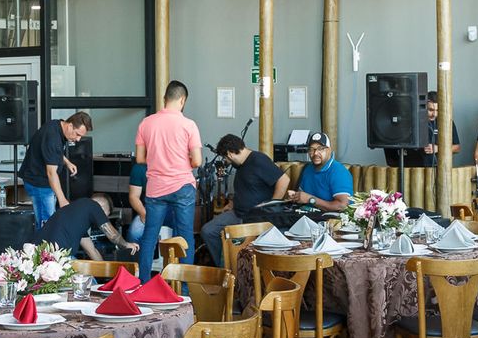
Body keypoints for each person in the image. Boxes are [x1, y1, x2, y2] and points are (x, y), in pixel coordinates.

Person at [135, 81, 202, 278]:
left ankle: (144, 286)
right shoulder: (189, 125)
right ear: (182, 100)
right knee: (184, 237)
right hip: (183, 186)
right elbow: (197, 160)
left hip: (156, 188)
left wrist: (158, 158)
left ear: (165, 99)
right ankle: (184, 291)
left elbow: (140, 158)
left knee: (149, 237)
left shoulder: (146, 123)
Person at [200, 134, 287, 265]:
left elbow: (284, 180)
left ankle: (237, 268)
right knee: (209, 231)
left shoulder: (259, 160)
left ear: (229, 154)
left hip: (255, 217)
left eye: (225, 158)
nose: (226, 161)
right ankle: (227, 267)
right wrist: (232, 203)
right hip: (238, 212)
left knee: (236, 241)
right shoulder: (240, 165)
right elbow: (248, 188)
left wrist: (272, 205)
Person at [18, 111, 93, 229]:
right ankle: (43, 247)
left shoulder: (56, 126)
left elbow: (53, 152)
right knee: (47, 224)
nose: (78, 139)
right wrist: (62, 199)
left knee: (49, 221)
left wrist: (67, 162)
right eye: (77, 134)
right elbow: (51, 173)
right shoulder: (52, 137)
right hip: (39, 182)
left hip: (43, 181)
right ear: (70, 126)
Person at [41, 193, 137, 262]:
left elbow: (92, 251)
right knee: (87, 282)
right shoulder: (93, 206)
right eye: (106, 216)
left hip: (37, 256)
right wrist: (126, 244)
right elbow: (113, 236)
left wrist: (105, 272)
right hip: (56, 259)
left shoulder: (76, 218)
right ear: (102, 209)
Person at [388, 91, 459, 168]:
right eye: (431, 110)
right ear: (423, 107)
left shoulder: (447, 122)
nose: (434, 114)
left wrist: (438, 148)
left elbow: (457, 147)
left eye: (437, 110)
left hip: (439, 168)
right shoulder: (413, 122)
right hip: (413, 167)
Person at [293, 132, 355, 214]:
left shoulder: (339, 171)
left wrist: (311, 199)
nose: (315, 153)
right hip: (309, 217)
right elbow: (302, 196)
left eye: (320, 149)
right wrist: (295, 197)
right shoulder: (308, 169)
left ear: (329, 150)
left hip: (333, 222)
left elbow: (342, 205)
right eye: (311, 149)